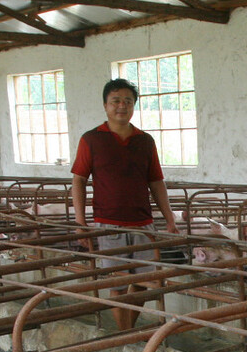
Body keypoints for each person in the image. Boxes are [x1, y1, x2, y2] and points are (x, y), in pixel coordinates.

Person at [71, 77, 179, 331]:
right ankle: (126, 335)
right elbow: (78, 180)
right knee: (118, 284)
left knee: (146, 281)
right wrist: (80, 222)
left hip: (143, 223)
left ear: (134, 106)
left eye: (128, 101)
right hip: (109, 225)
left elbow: (156, 182)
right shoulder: (91, 139)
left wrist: (170, 218)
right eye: (116, 101)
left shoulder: (145, 141)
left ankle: (127, 330)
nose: (122, 106)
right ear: (106, 105)